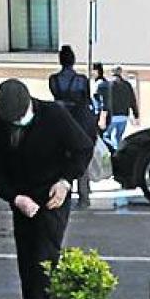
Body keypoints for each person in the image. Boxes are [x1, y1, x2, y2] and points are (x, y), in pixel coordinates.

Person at [0, 79, 94, 299]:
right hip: (21, 195)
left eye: (20, 118)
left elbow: (82, 148)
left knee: (45, 255)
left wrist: (65, 182)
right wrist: (14, 197)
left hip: (52, 192)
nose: (17, 124)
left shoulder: (53, 115)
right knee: (26, 256)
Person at [49, 45, 100, 208]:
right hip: (80, 123)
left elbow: (55, 96)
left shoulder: (53, 80)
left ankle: (63, 195)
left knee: (62, 158)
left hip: (61, 121)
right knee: (81, 157)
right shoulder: (81, 80)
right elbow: (87, 101)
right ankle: (84, 196)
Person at [103, 65, 139, 150]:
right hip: (124, 115)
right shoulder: (127, 85)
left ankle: (111, 152)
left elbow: (105, 101)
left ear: (112, 73)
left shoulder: (108, 85)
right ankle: (118, 152)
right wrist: (136, 114)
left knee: (105, 136)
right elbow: (132, 100)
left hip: (112, 115)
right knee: (118, 137)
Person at [91, 62, 111, 131]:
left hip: (100, 115)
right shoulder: (98, 83)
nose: (92, 73)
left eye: (94, 71)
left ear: (98, 72)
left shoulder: (101, 84)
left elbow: (104, 101)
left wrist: (103, 117)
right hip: (98, 114)